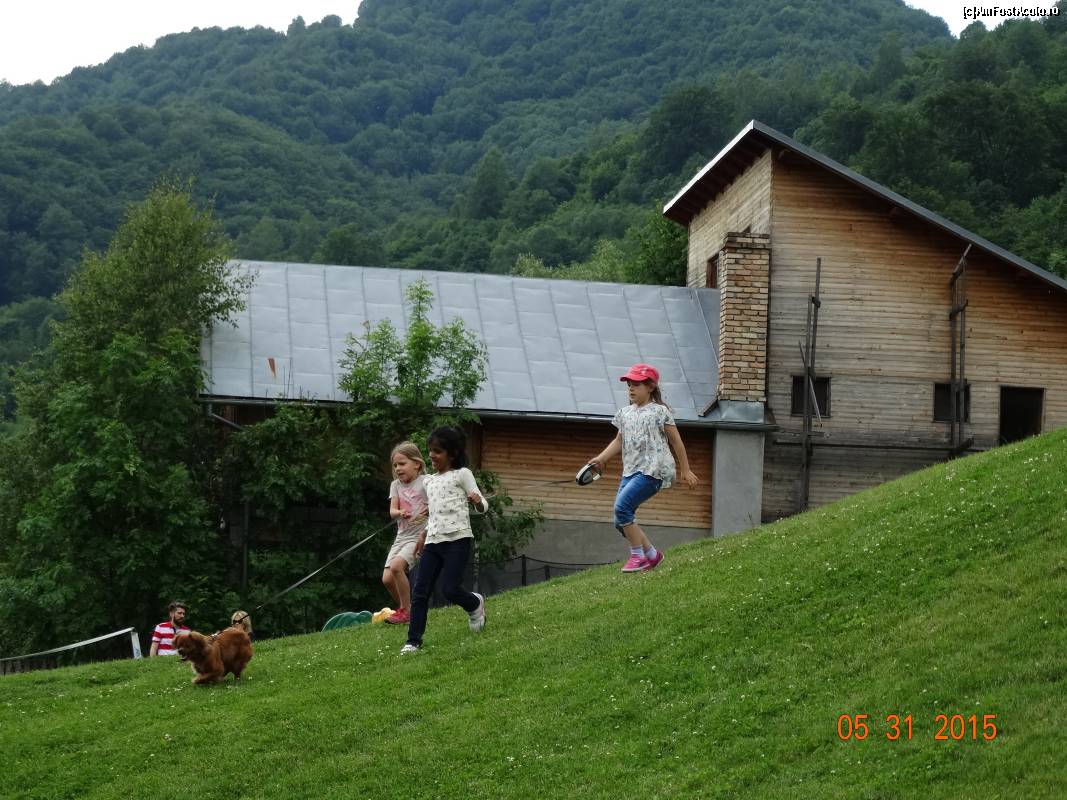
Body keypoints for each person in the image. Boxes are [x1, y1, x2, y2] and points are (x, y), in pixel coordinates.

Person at [588, 363, 699, 573]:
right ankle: (652, 555)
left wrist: (685, 470)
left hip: (653, 470)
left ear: (650, 387)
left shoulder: (660, 411)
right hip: (630, 471)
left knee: (622, 509)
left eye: (636, 384)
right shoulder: (624, 413)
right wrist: (601, 459)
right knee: (620, 520)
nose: (631, 388)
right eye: (629, 384)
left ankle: (637, 557)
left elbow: (676, 441)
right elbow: (618, 441)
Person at [401, 426, 489, 654]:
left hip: (458, 540)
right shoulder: (429, 481)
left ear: (452, 453)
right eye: (430, 450)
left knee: (450, 589)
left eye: (437, 451)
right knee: (420, 591)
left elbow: (483, 506)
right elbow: (435, 513)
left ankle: (474, 604)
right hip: (433, 542)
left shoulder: (462, 474)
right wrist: (423, 535)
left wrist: (477, 501)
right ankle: (413, 641)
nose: (431, 455)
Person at [382, 442, 429, 626]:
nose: (398, 468)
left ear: (416, 463)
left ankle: (406, 612)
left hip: (419, 536)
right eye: (395, 465)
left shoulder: (426, 481)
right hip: (401, 536)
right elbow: (392, 511)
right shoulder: (396, 485)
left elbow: (437, 502)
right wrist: (399, 512)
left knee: (396, 567)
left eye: (402, 463)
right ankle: (407, 609)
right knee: (387, 579)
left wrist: (430, 508)